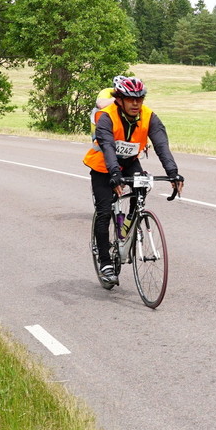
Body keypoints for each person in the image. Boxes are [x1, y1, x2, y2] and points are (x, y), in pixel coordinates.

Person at [84, 76, 184, 286]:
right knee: (103, 212)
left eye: (140, 98)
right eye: (130, 99)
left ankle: (128, 224)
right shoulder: (106, 117)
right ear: (119, 99)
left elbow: (161, 145)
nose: (136, 103)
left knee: (141, 187)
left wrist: (173, 173)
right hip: (103, 166)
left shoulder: (149, 117)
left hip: (129, 162)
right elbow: (108, 147)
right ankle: (105, 263)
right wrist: (114, 175)